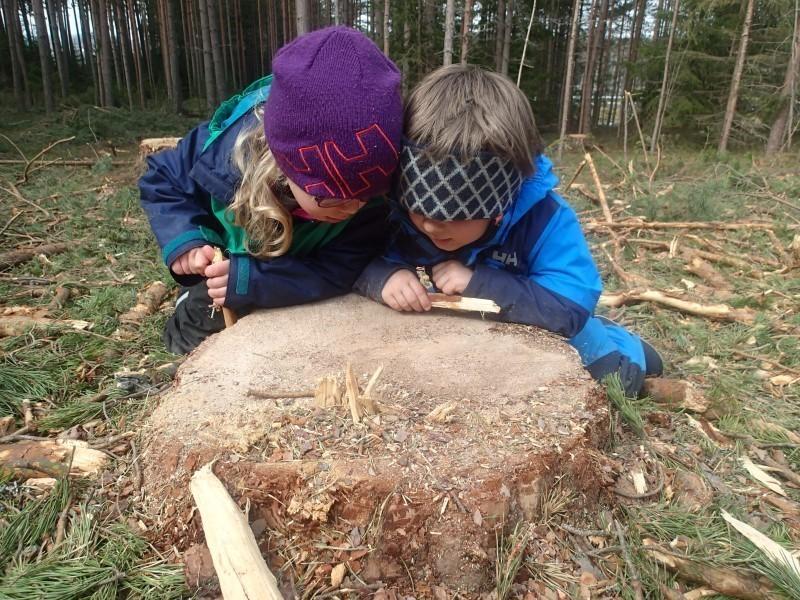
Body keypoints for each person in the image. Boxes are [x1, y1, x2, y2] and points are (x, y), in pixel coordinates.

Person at [355, 65, 662, 396]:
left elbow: (571, 305)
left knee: (620, 382)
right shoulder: (405, 215)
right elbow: (352, 254)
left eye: (454, 215)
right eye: (417, 207)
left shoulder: (546, 220)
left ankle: (628, 346)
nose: (429, 224)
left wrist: (479, 284)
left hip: (578, 340)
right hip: (492, 340)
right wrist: (383, 275)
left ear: (499, 207)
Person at [140, 27, 403, 354]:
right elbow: (163, 178)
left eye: (364, 195)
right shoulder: (225, 153)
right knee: (200, 323)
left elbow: (339, 269)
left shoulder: (371, 209)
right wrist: (186, 239)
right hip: (226, 263)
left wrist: (256, 281)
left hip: (287, 271)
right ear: (285, 161)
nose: (350, 208)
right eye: (328, 196)